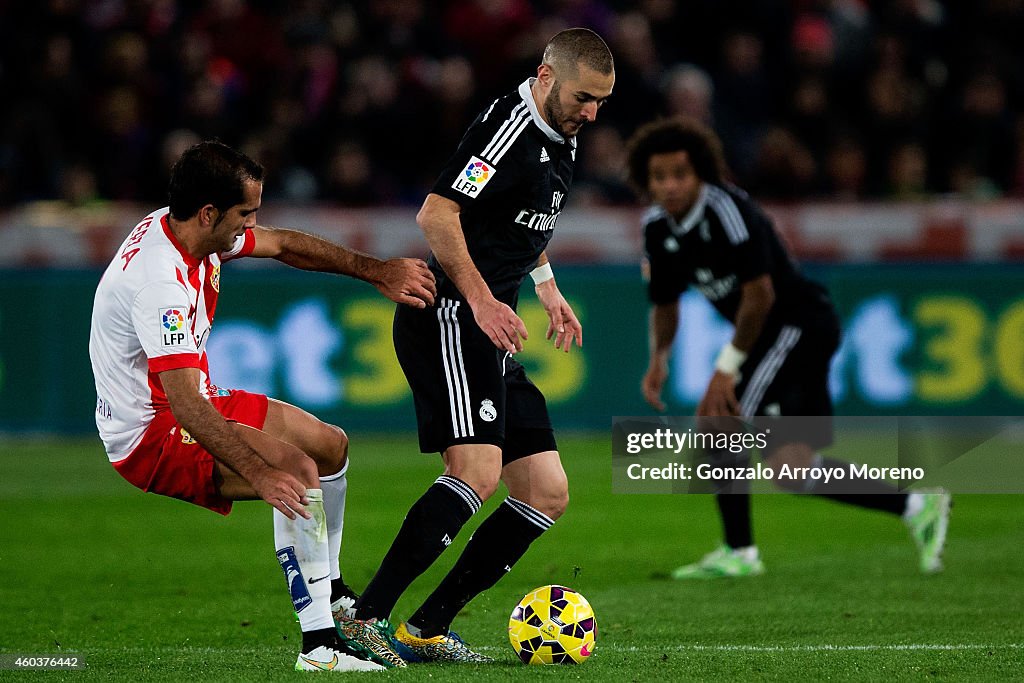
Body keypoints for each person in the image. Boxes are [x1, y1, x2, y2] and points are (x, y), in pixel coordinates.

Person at [88, 141, 436, 672]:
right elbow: (184, 406)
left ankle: (334, 592)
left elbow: (286, 245)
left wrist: (376, 271)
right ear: (210, 213)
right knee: (293, 473)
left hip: (190, 398)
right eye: (244, 213)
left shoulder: (189, 229)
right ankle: (319, 647)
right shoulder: (159, 283)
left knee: (329, 447)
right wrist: (260, 473)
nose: (252, 224)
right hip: (149, 433)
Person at [343, 28, 614, 663]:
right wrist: (485, 299)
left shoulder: (561, 136)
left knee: (545, 490)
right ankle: (363, 616)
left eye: (602, 101)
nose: (592, 113)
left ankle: (426, 628)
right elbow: (437, 215)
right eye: (583, 97)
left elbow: (519, 219)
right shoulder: (510, 127)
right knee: (476, 470)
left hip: (489, 328)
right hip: (451, 317)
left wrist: (545, 287)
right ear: (546, 75)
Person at [624, 117, 951, 579]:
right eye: (659, 177)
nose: (671, 185)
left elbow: (761, 298)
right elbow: (665, 302)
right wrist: (659, 359)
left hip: (796, 325)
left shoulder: (728, 210)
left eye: (680, 173)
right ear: (646, 180)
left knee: (721, 418)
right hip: (777, 336)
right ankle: (916, 504)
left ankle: (740, 552)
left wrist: (725, 369)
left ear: (702, 173)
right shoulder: (657, 228)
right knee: (793, 468)